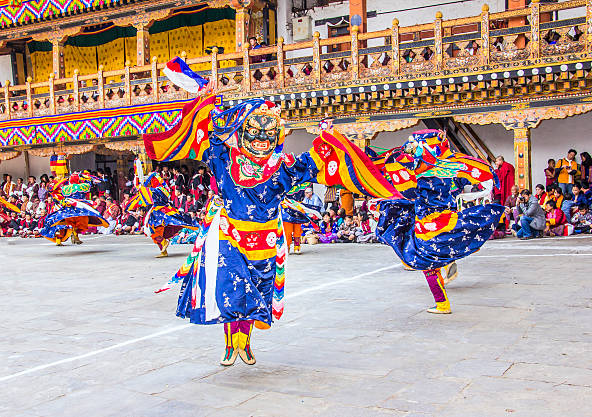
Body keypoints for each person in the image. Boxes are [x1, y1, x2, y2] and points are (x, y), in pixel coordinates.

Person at [144, 89, 397, 366]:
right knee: (232, 292)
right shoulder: (225, 163)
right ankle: (231, 346)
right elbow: (212, 134)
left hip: (264, 243)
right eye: (254, 132)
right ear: (241, 133)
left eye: (268, 134)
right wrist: (209, 104)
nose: (261, 140)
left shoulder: (282, 167)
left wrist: (327, 140)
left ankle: (245, 343)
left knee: (254, 295)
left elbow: (313, 163)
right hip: (230, 237)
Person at [372, 130, 504, 314]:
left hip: (429, 224)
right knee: (432, 258)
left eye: (414, 145)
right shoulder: (444, 170)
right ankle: (444, 292)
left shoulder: (423, 174)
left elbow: (407, 191)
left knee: (427, 262)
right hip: (444, 218)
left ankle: (442, 302)